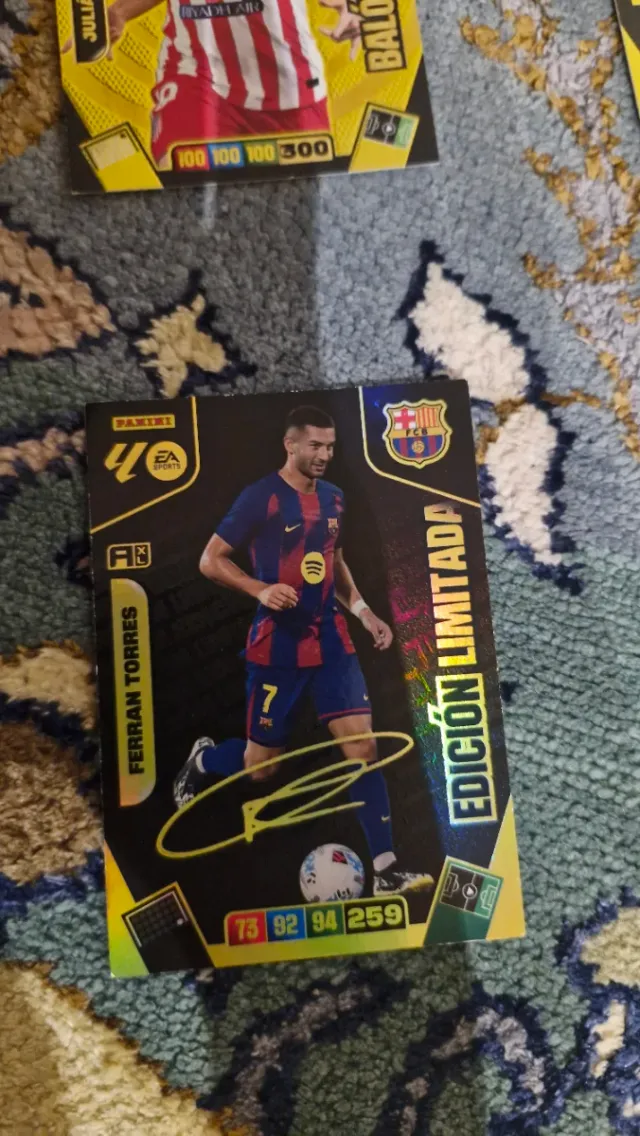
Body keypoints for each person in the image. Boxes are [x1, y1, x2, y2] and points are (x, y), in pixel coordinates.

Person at [173, 405, 433, 897]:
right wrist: (259, 589)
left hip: (332, 641)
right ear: (290, 445)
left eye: (330, 446)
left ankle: (385, 870)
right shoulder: (261, 497)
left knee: (363, 749)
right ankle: (205, 761)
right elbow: (210, 560)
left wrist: (363, 612)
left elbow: (334, 562)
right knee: (262, 769)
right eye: (315, 445)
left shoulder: (335, 498)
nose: (324, 455)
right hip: (279, 647)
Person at [102, 0, 362, 166]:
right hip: (195, 70)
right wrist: (119, 12)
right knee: (180, 176)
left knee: (301, 196)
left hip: (288, 85)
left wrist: (353, 6)